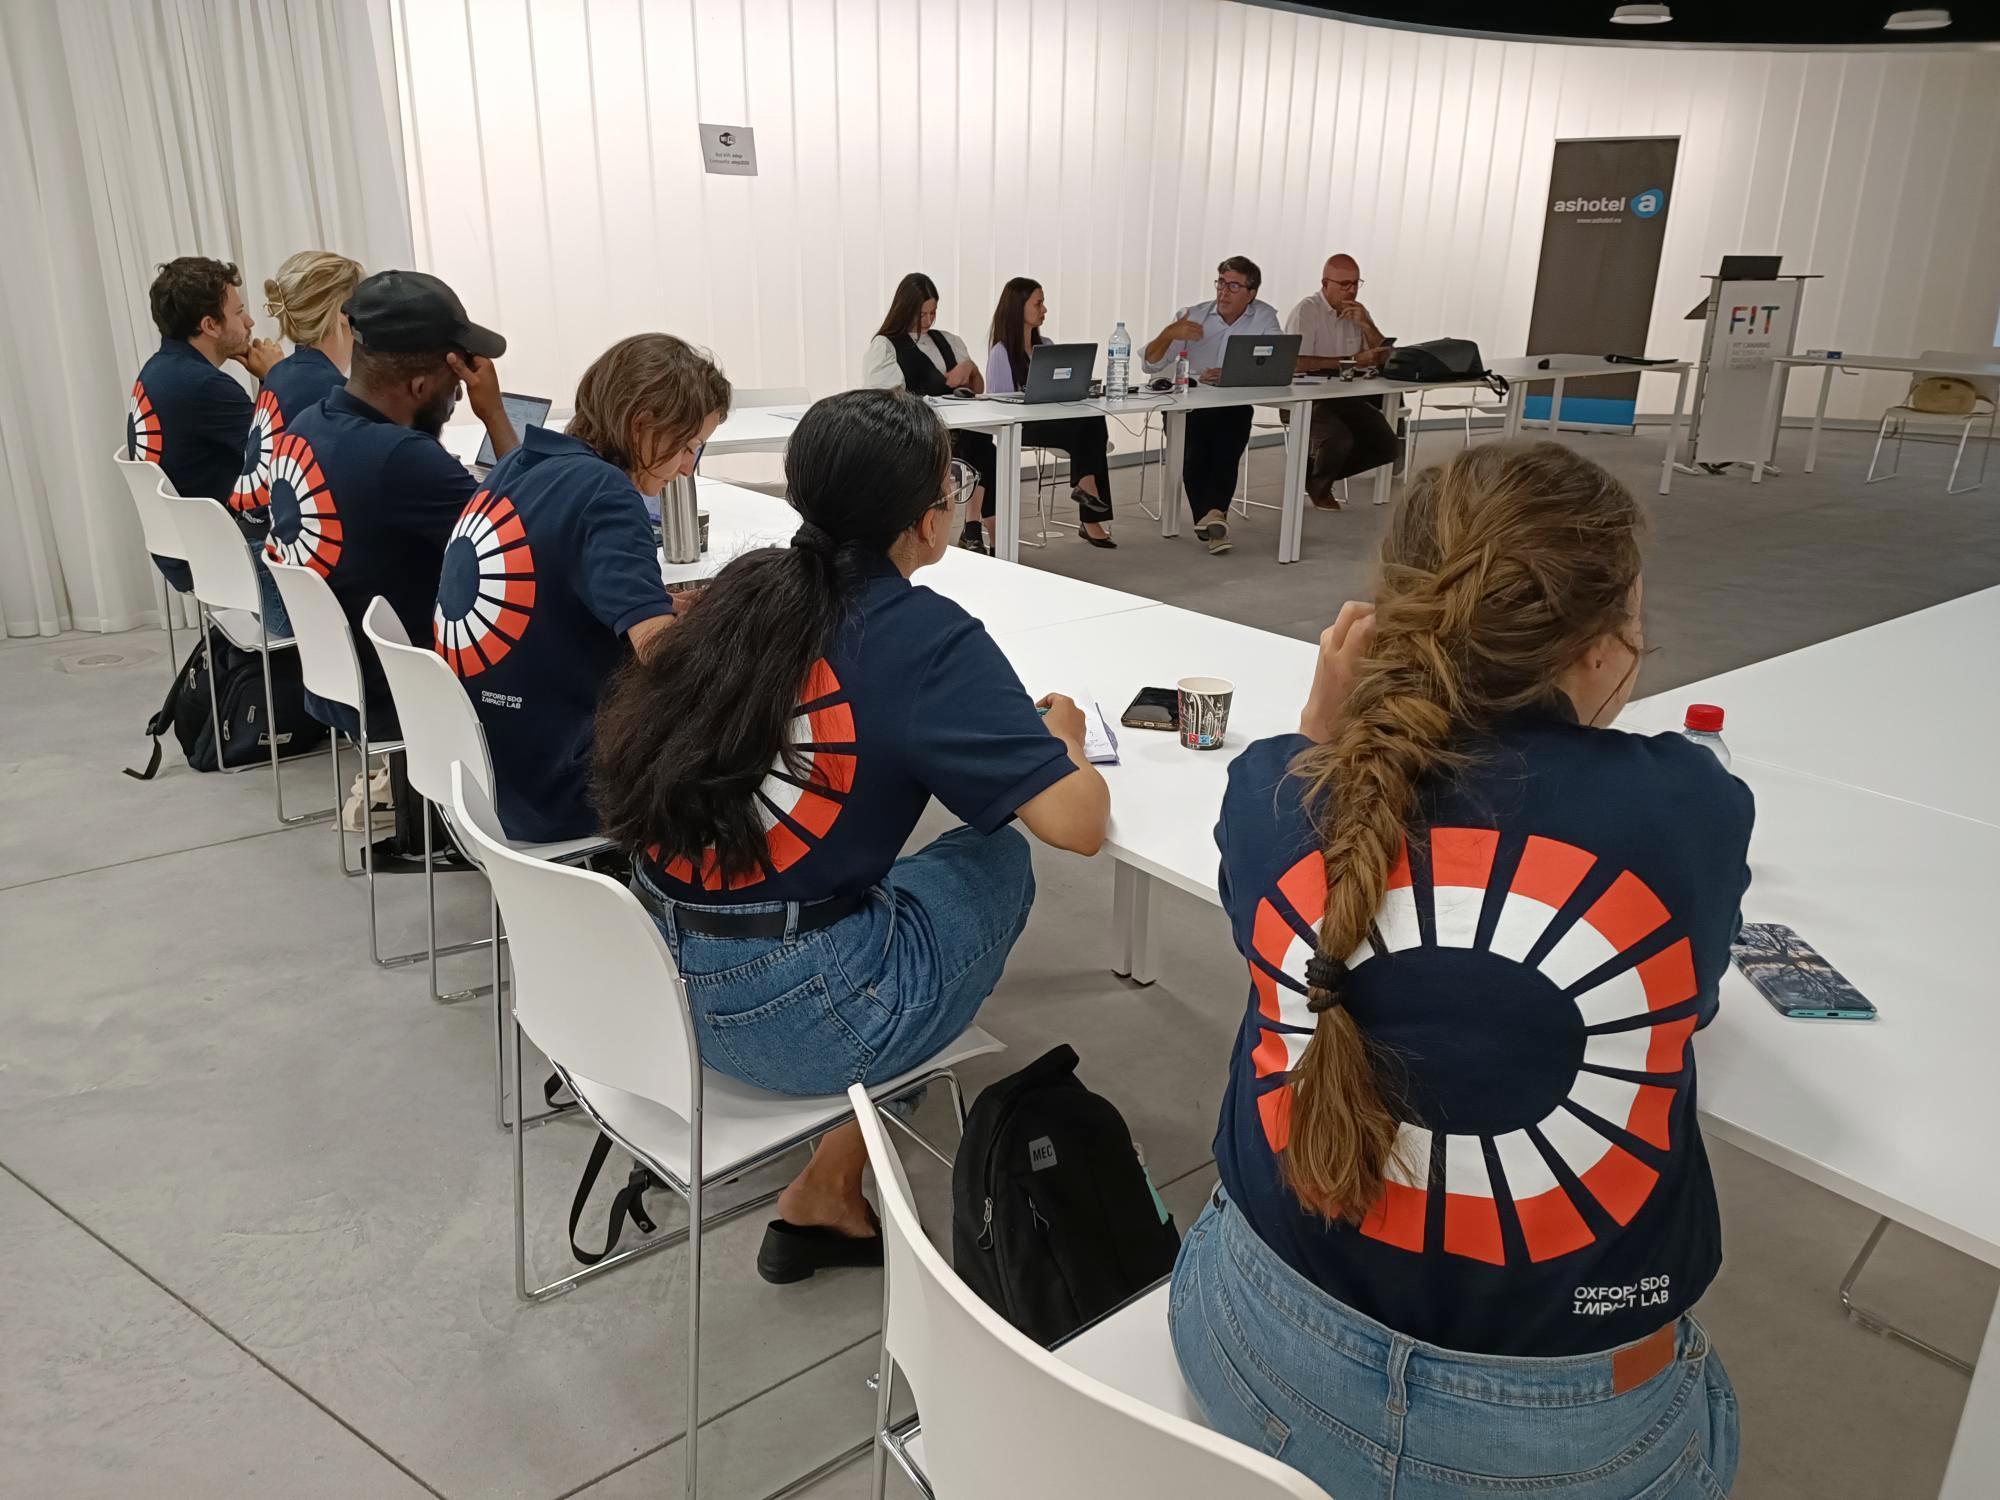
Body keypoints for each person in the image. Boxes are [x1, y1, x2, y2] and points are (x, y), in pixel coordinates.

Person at [1171, 442, 1752, 1500]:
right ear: (1598, 645)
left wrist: (1322, 730)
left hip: (1257, 1347)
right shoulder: (1688, 809)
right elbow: (1693, 998)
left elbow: (1302, 910)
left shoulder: (1270, 791)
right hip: (1568, 1437)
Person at [593, 388, 1110, 1282]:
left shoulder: (742, 594)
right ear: (927, 515)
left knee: (886, 882)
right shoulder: (928, 639)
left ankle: (832, 1184)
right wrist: (1060, 743)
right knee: (995, 856)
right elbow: (1078, 825)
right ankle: (833, 1176)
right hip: (794, 1015)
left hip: (647, 977)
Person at [438, 334, 730, 844]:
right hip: (561, 784)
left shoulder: (516, 466)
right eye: (687, 447)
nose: (688, 467)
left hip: (477, 770)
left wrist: (661, 606)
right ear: (643, 424)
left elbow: (547, 596)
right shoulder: (606, 493)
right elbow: (662, 655)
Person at [273, 269, 517, 739]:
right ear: (421, 387)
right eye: (455, 382)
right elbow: (532, 528)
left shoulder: (306, 425)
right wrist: (495, 415)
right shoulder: (402, 459)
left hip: (339, 676)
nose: (461, 392)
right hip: (408, 688)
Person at [126, 256, 283, 616]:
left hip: (184, 550)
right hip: (227, 560)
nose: (250, 322)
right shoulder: (205, 388)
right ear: (210, 324)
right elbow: (280, 460)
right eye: (239, 311)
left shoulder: (159, 371)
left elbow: (258, 447)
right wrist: (275, 377)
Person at [1141, 256, 1283, 555]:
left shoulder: (1264, 317)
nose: (1224, 292)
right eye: (1221, 283)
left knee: (1225, 453)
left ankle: (1212, 520)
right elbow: (1150, 364)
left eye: (1233, 285)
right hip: (1188, 401)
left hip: (1232, 402)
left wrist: (1233, 373)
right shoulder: (1193, 315)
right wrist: (1169, 334)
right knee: (1193, 452)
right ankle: (1215, 518)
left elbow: (1276, 365)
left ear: (1251, 293)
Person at [862, 272, 999, 553]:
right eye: (921, 314)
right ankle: (982, 529)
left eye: (932, 313)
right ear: (904, 310)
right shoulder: (886, 346)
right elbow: (885, 400)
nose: (927, 321)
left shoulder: (948, 341)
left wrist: (971, 369)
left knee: (985, 445)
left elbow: (977, 389)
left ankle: (978, 526)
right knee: (981, 448)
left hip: (960, 428)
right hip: (918, 434)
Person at [234, 251, 364, 528]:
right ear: (343, 313)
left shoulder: (281, 373)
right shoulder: (329, 392)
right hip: (276, 551)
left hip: (253, 537)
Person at [986, 276, 1114, 548]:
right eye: (1038, 303)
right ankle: (1089, 510)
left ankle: (1087, 490)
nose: (1044, 310)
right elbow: (997, 403)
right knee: (1088, 428)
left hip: (1052, 420)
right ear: (1018, 307)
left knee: (1092, 417)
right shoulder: (1001, 352)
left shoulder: (1047, 344)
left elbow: (1062, 386)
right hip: (1023, 425)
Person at [1284, 254, 1398, 509]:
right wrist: (1352, 360)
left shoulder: (1359, 312)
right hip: (1305, 396)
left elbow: (1384, 357)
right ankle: (1319, 484)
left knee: (1388, 446)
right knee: (1340, 438)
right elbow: (1295, 362)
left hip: (1345, 395)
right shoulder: (1306, 311)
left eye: (1356, 283)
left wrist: (1367, 326)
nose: (1352, 290)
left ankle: (1315, 476)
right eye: (1344, 284)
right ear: (1325, 284)